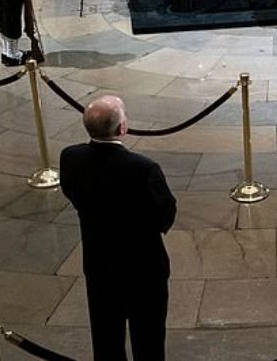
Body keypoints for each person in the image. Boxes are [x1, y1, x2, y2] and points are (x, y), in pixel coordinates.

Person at [60, 95, 177, 361]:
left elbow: (71, 192)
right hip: (144, 268)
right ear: (122, 129)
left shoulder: (70, 157)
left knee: (105, 338)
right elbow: (165, 214)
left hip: (100, 265)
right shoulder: (144, 169)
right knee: (148, 339)